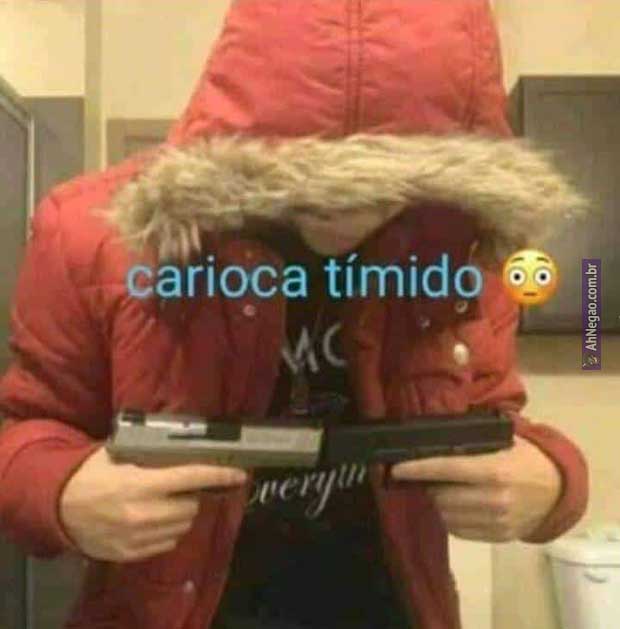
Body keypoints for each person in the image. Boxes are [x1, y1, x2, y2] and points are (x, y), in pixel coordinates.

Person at [0, 1, 588, 628]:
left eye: (385, 186)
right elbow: (30, 426)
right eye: (312, 182)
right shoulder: (93, 234)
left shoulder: (457, 249)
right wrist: (62, 492)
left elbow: (494, 417)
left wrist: (555, 482)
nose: (349, 211)